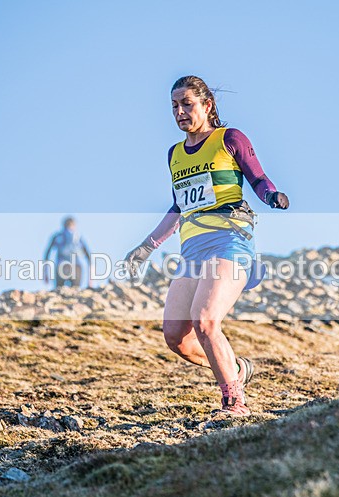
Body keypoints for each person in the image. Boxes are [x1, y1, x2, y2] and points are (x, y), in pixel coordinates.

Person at [124, 75, 290, 416]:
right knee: (176, 336)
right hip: (192, 252)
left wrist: (271, 195)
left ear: (207, 105)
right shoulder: (175, 155)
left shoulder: (230, 139)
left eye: (187, 104)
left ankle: (234, 401)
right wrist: (145, 248)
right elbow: (178, 208)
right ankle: (238, 371)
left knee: (205, 320)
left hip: (229, 241)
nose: (180, 112)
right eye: (174, 106)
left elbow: (258, 178)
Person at [43, 216, 91, 289]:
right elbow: (88, 257)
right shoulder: (78, 237)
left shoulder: (57, 236)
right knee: (76, 291)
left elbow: (47, 254)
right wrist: (91, 278)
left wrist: (45, 273)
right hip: (76, 266)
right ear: (74, 225)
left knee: (59, 290)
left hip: (61, 266)